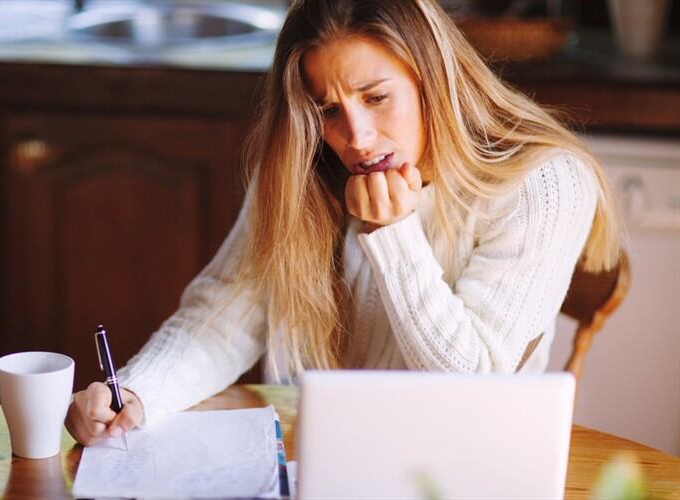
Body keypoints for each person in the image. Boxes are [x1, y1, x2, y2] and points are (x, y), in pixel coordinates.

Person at [65, 0, 621, 447]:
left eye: (376, 97)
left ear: (435, 78)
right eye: (326, 110)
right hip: (333, 457)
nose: (354, 138)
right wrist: (135, 394)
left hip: (470, 465)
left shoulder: (544, 182)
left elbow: (474, 385)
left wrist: (392, 234)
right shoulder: (306, 168)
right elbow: (224, 316)